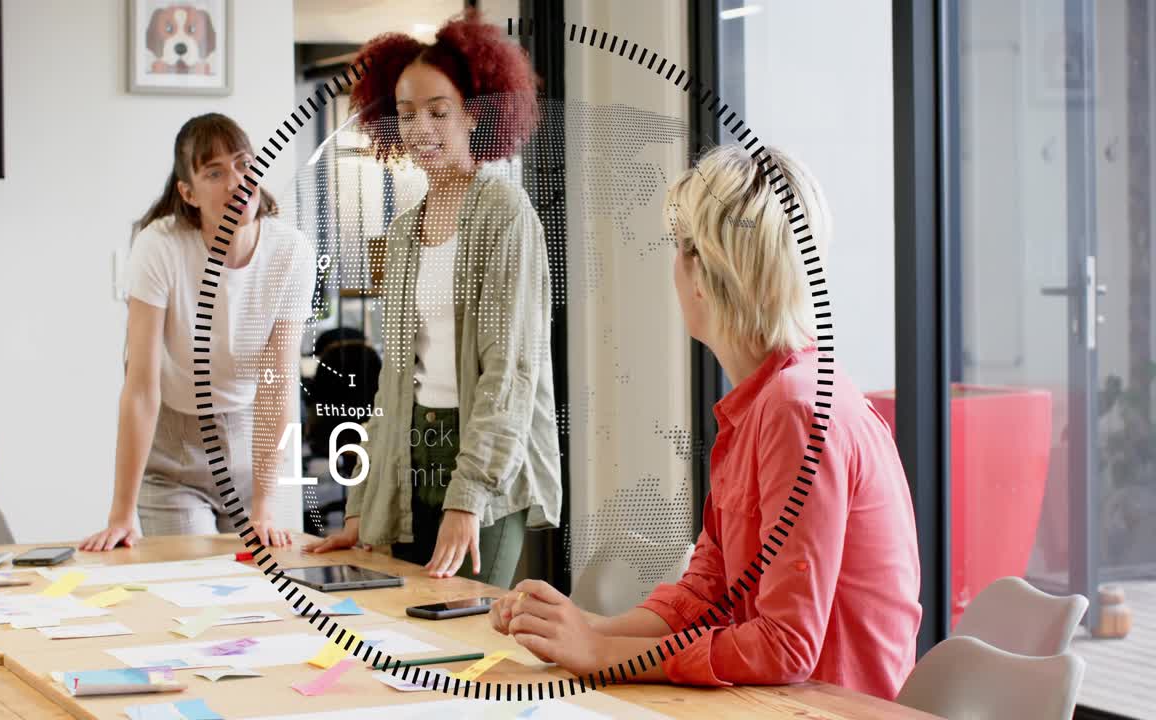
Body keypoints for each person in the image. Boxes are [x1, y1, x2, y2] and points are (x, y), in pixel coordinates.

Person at [489, 144, 923, 701]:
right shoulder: (764, 403)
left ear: (708, 269)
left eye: (680, 247)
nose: (674, 265)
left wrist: (601, 656)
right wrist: (585, 629)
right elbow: (708, 593)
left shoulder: (796, 409)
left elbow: (784, 647)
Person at [305, 11, 561, 589]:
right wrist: (358, 505)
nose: (421, 128)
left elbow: (510, 372)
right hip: (410, 450)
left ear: (476, 113)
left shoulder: (505, 215)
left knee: (464, 626)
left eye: (438, 112)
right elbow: (391, 385)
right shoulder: (400, 234)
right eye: (405, 114)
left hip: (485, 455)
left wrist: (467, 497)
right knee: (406, 629)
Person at [80, 113, 315, 552]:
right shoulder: (160, 247)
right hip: (175, 453)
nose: (236, 182)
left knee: (259, 591)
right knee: (194, 579)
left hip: (252, 447)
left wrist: (264, 506)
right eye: (214, 173)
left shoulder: (290, 252)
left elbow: (277, 384)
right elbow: (141, 387)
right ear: (187, 193)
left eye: (245, 165)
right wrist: (121, 513)